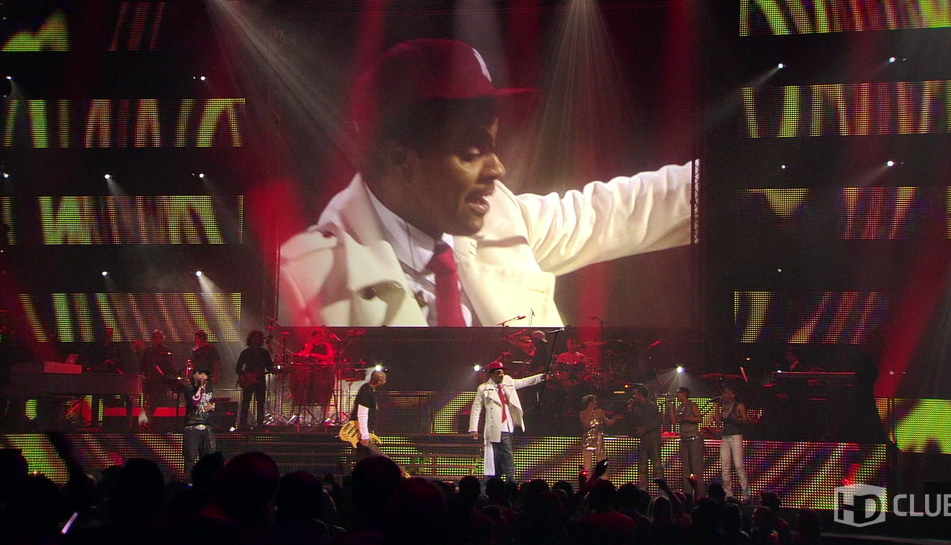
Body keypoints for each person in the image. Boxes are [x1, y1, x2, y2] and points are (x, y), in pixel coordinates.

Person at [277, 38, 692, 327]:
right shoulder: (303, 279)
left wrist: (721, 175)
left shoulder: (503, 218)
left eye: (493, 146)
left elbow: (626, 209)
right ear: (399, 157)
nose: (498, 169)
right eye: (472, 151)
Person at [468, 360, 547, 483]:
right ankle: (510, 479)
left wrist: (541, 377)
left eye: (502, 373)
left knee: (500, 453)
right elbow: (476, 408)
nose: (501, 375)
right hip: (495, 426)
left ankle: (501, 479)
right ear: (491, 374)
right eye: (498, 373)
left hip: (508, 425)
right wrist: (473, 428)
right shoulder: (484, 388)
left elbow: (524, 382)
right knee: (505, 452)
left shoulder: (508, 381)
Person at [714, 385, 750, 501]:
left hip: (736, 436)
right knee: (725, 467)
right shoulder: (724, 407)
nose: (724, 395)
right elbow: (718, 422)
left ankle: (745, 494)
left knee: (738, 465)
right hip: (725, 438)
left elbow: (746, 420)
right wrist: (716, 407)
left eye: (726, 393)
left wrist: (736, 419)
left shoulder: (739, 406)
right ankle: (728, 494)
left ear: (732, 395)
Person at [669, 386, 704, 497]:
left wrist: (690, 419)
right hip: (684, 439)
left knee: (696, 467)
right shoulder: (680, 407)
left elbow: (699, 419)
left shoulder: (692, 405)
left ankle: (699, 494)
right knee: (685, 468)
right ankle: (687, 494)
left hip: (693, 438)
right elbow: (674, 421)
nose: (677, 395)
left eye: (678, 393)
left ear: (683, 393)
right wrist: (671, 408)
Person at [235, 330, 274, 430]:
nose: (257, 339)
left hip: (260, 380)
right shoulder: (246, 352)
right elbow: (238, 368)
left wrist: (276, 368)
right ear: (251, 339)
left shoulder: (264, 353)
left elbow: (269, 367)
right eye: (255, 337)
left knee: (260, 403)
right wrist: (244, 376)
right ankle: (243, 424)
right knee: (245, 403)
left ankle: (260, 424)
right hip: (248, 381)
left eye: (259, 337)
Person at [627, 384, 663, 491]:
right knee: (642, 467)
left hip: (653, 439)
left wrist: (645, 428)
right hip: (643, 440)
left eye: (635, 394)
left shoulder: (652, 406)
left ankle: (662, 490)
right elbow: (632, 422)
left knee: (657, 466)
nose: (633, 396)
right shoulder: (636, 407)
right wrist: (630, 410)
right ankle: (643, 490)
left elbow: (658, 421)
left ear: (640, 394)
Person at [182, 368, 217, 480]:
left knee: (208, 457)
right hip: (192, 426)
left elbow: (212, 401)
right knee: (190, 457)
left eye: (205, 374)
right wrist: (201, 388)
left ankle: (206, 481)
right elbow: (194, 401)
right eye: (201, 374)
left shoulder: (209, 388)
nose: (203, 376)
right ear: (194, 375)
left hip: (206, 426)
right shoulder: (189, 388)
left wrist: (212, 406)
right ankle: (189, 481)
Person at [139, 330, 178, 427]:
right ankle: (149, 421)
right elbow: (143, 364)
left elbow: (169, 365)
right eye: (155, 337)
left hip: (161, 381)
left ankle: (157, 422)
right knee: (149, 401)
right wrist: (143, 375)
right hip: (150, 380)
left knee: (159, 400)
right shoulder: (148, 350)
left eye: (158, 337)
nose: (156, 339)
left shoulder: (165, 349)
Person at [579, 394, 620, 479]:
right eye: (594, 401)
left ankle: (604, 482)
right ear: (589, 403)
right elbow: (586, 425)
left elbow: (608, 423)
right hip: (587, 441)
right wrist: (590, 412)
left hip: (599, 441)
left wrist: (615, 418)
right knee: (587, 466)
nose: (596, 403)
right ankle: (588, 483)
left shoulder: (599, 412)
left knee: (602, 464)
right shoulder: (582, 413)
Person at [352, 370, 387, 461]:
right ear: (378, 382)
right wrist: (364, 435)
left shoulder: (368, 389)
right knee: (363, 457)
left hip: (365, 431)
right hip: (362, 433)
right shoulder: (367, 392)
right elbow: (362, 414)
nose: (385, 382)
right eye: (384, 380)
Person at [555, 339, 590, 416]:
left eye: (572, 344)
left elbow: (585, 370)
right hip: (565, 381)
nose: (570, 346)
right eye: (568, 344)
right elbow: (557, 369)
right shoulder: (562, 356)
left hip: (577, 382)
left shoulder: (581, 356)